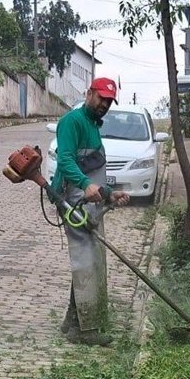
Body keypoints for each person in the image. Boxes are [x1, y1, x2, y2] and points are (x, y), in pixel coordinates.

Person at [52, 77, 131, 346]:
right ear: (89, 94)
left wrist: (109, 193)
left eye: (109, 101)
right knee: (85, 258)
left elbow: (92, 169)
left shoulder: (94, 125)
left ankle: (72, 320)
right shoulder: (72, 122)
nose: (105, 105)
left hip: (88, 201)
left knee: (90, 259)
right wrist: (86, 185)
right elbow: (65, 160)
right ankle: (84, 330)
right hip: (73, 200)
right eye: (101, 98)